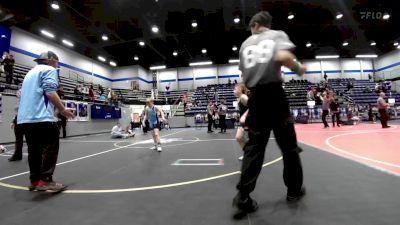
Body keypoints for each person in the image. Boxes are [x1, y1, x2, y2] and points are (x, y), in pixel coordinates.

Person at [233, 11, 306, 219]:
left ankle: (243, 196)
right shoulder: (276, 35)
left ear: (255, 24)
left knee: (254, 148)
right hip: (275, 96)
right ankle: (293, 191)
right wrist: (299, 67)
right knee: (289, 147)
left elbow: (244, 77)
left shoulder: (245, 45)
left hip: (256, 98)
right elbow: (284, 57)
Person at [17, 51, 75, 192]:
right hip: (41, 118)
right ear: (51, 60)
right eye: (57, 62)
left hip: (25, 119)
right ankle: (46, 180)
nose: (57, 65)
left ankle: (35, 180)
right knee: (51, 147)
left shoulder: (29, 74)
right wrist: (62, 110)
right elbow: (49, 91)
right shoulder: (49, 70)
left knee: (34, 150)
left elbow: (25, 95)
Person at [234, 84, 249, 161]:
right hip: (242, 122)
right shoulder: (239, 98)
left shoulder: (243, 97)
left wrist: (244, 116)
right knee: (239, 137)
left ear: (240, 89)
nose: (234, 91)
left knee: (244, 138)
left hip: (248, 121)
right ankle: (247, 154)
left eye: (235, 89)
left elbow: (253, 106)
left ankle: (250, 155)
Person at [9, 89, 23, 161]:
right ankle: (18, 155)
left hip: (26, 119)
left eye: (19, 93)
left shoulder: (27, 101)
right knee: (18, 139)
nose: (17, 94)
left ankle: (33, 155)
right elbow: (16, 113)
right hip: (18, 119)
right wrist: (13, 121)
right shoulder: (17, 102)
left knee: (30, 138)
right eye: (17, 93)